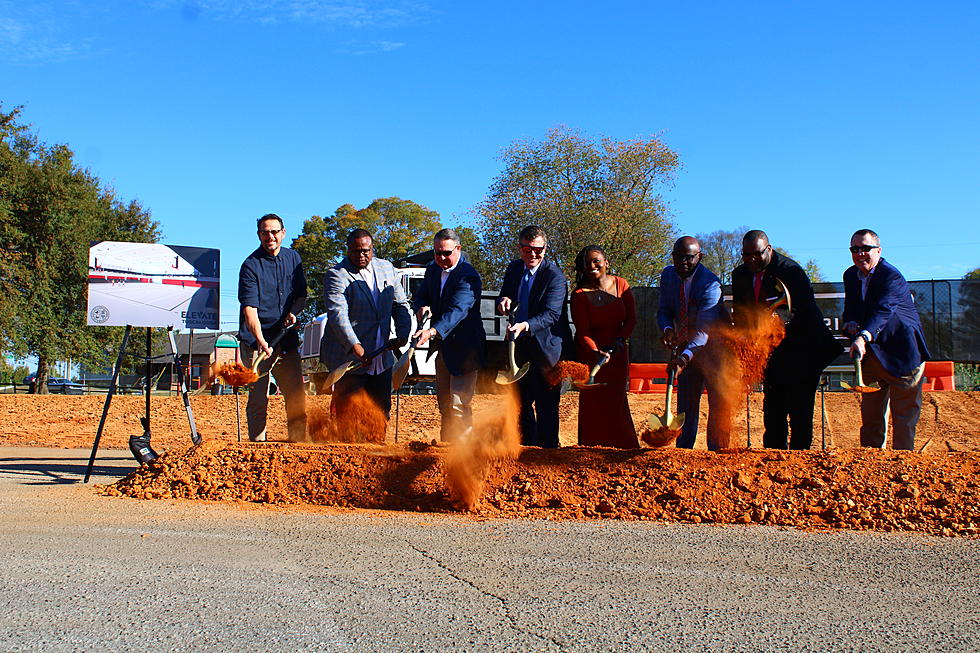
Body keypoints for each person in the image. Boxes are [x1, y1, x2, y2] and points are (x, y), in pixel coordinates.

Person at [732, 230, 841, 450]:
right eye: (746, 255)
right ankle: (773, 456)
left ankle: (800, 458)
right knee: (773, 405)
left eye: (757, 254)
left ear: (769, 249)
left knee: (800, 407)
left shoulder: (791, 271)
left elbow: (802, 307)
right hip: (771, 350)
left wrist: (775, 320)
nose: (751, 259)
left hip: (804, 349)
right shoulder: (740, 275)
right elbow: (741, 312)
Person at [842, 229, 930, 450]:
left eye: (866, 248)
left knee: (903, 421)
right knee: (871, 419)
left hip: (904, 356)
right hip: (874, 356)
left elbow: (883, 311)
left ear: (879, 251)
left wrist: (862, 336)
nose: (860, 253)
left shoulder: (891, 276)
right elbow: (852, 307)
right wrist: (850, 322)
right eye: (855, 249)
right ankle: (871, 469)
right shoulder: (850, 275)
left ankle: (903, 469)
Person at [322, 228, 411, 420]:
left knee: (380, 412)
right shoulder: (336, 275)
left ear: (372, 248)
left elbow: (400, 305)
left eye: (366, 251)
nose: (362, 255)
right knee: (348, 415)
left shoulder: (387, 268)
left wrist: (404, 333)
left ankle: (378, 447)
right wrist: (355, 346)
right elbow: (338, 315)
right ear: (347, 250)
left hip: (382, 356)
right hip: (350, 359)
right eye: (356, 251)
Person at [496, 225, 572, 448]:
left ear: (545, 249)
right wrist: (504, 301)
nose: (532, 254)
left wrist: (524, 325)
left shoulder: (555, 277)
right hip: (519, 349)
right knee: (520, 403)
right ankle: (526, 448)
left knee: (547, 405)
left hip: (548, 351)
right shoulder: (513, 269)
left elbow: (551, 315)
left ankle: (548, 453)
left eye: (537, 250)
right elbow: (506, 293)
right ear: (520, 249)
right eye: (527, 249)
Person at [411, 229, 487, 442]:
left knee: (458, 403)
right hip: (443, 348)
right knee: (445, 403)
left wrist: (433, 330)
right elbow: (421, 295)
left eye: (446, 253)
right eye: (437, 253)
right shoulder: (432, 270)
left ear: (458, 249)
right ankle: (446, 449)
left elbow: (458, 310)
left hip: (466, 349)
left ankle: (463, 450)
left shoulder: (468, 276)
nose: (442, 258)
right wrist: (421, 306)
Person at [238, 213, 308, 441]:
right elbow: (250, 310)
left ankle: (298, 446)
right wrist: (260, 340)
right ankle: (258, 449)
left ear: (283, 233)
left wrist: (293, 313)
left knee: (296, 397)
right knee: (258, 399)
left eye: (274, 231)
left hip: (286, 341)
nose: (270, 236)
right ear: (259, 235)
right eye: (265, 232)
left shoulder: (293, 258)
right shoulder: (250, 266)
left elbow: (301, 295)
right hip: (257, 344)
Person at [656, 236, 726, 450]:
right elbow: (664, 311)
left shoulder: (710, 284)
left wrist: (683, 358)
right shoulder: (668, 275)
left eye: (688, 258)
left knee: (717, 405)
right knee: (686, 405)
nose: (682, 263)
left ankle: (717, 454)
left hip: (715, 352)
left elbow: (704, 329)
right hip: (685, 347)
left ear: (699, 256)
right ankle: (684, 452)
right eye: (678, 257)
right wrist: (668, 329)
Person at [569, 245, 638, 448]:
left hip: (617, 354)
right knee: (593, 404)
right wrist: (595, 352)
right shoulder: (579, 295)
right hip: (592, 357)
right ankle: (591, 448)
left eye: (596, 261)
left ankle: (623, 449)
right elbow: (583, 332)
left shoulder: (622, 285)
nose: (592, 266)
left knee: (616, 401)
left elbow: (632, 319)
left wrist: (620, 340)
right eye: (587, 263)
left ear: (606, 263)